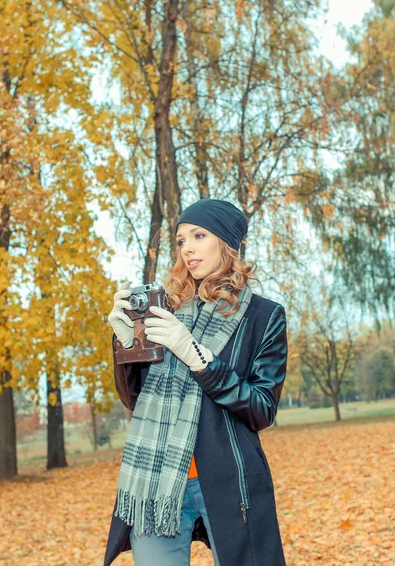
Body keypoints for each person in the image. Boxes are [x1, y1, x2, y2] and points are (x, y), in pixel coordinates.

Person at [103, 198, 288, 566]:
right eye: (180, 240)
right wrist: (126, 344)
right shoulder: (166, 311)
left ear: (226, 242)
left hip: (228, 482)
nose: (187, 247)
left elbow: (261, 409)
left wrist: (194, 355)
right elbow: (135, 399)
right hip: (156, 483)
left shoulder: (264, 316)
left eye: (198, 235)